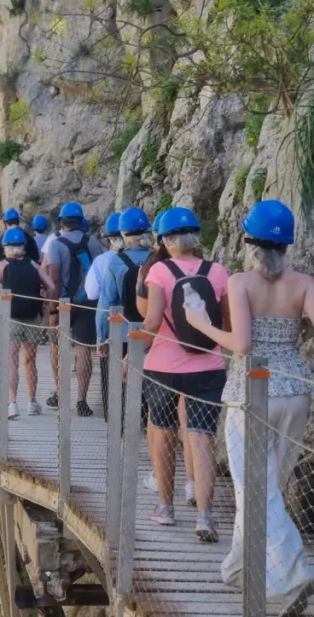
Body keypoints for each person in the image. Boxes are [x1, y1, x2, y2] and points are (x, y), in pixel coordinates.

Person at [183, 200, 314, 613]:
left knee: (254, 487)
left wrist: (200, 323)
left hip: (251, 391)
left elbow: (241, 345)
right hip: (295, 389)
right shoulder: (305, 283)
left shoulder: (240, 282)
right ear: (287, 244)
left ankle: (295, 574)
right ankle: (241, 566)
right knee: (267, 486)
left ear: (248, 242)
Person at [141, 207, 228, 542]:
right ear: (196, 237)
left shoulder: (159, 271)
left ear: (165, 240)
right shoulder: (217, 272)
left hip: (163, 367)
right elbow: (226, 323)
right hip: (208, 368)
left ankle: (166, 508)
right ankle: (204, 517)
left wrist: (130, 349)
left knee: (164, 434)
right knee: (202, 437)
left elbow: (152, 321)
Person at [136, 209, 197, 503]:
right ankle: (193, 483)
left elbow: (147, 315)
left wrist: (135, 349)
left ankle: (160, 483)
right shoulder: (210, 268)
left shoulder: (153, 269)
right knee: (192, 424)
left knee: (160, 423)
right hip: (201, 356)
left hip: (163, 354)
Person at [0, 227, 58, 419]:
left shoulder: (2, 265)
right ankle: (32, 402)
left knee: (12, 361)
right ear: (23, 247)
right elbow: (51, 286)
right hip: (32, 318)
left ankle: (12, 404)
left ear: (5, 247)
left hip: (11, 318)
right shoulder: (33, 264)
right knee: (29, 361)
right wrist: (45, 302)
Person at [44, 202, 105, 416]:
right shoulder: (93, 243)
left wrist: (53, 311)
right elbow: (100, 276)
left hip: (64, 303)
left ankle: (60, 392)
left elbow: (54, 280)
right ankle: (81, 400)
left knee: (57, 348)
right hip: (88, 303)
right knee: (83, 350)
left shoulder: (56, 245)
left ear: (62, 223)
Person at [97, 208, 150, 424]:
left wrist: (101, 337)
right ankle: (146, 424)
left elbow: (107, 302)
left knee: (121, 381)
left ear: (123, 235)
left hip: (124, 333)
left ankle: (120, 427)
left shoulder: (116, 262)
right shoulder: (156, 260)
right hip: (152, 333)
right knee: (149, 383)